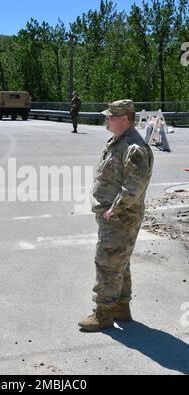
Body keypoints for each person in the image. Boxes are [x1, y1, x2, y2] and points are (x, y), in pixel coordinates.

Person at [79, 100, 154, 332]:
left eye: (111, 116)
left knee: (107, 262)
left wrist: (115, 209)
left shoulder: (134, 148)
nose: (107, 119)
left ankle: (103, 313)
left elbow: (135, 185)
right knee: (120, 261)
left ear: (125, 119)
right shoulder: (118, 142)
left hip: (120, 217)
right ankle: (121, 307)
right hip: (115, 216)